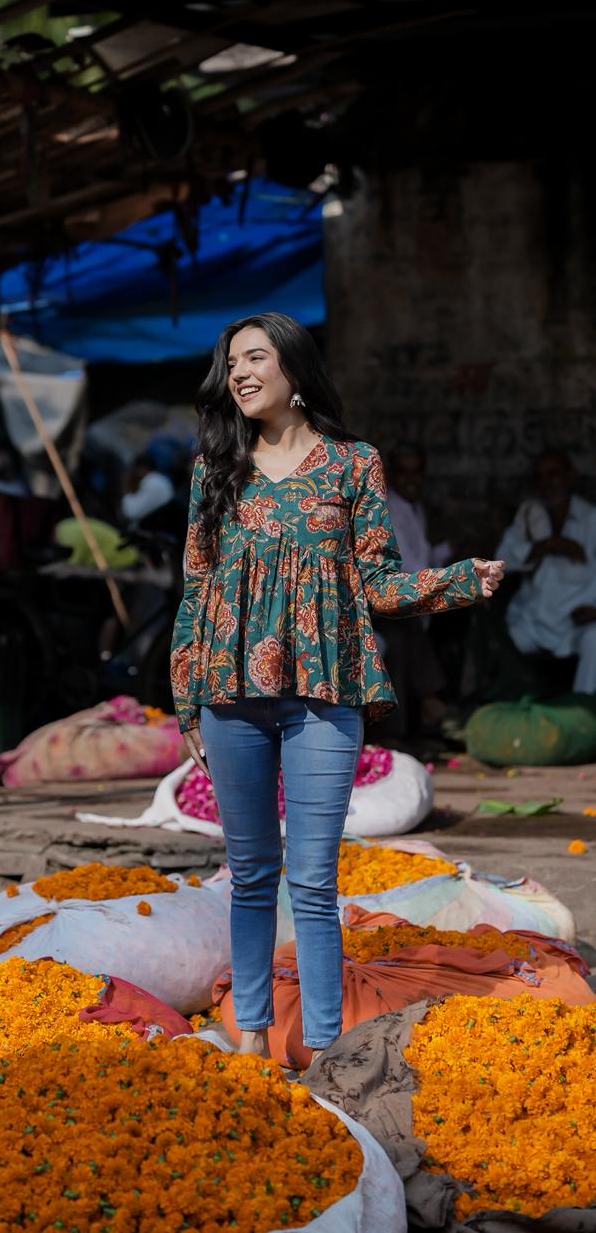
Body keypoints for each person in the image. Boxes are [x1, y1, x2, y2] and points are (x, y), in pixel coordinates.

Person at [170, 312, 504, 1062]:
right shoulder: (214, 468)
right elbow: (194, 587)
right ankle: (251, 1039)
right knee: (252, 874)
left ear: (294, 368)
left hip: (326, 691)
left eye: (255, 358)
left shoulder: (353, 465)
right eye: (231, 365)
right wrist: (186, 695)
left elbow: (377, 582)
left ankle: (325, 1053)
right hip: (229, 697)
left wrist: (457, 584)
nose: (240, 374)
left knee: (314, 880)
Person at [496, 450, 596, 693]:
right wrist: (545, 546)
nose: (547, 483)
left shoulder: (591, 519)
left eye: (554, 475)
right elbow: (499, 561)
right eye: (540, 477)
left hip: (575, 624)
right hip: (531, 621)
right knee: (496, 645)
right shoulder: (529, 517)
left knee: (594, 640)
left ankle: (583, 714)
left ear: (570, 477)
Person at [374, 445, 453, 737]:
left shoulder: (415, 508)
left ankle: (427, 709)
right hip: (381, 599)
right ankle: (428, 704)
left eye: (416, 472)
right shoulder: (389, 507)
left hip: (408, 598)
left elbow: (428, 559)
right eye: (404, 472)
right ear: (392, 475)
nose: (411, 479)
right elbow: (410, 567)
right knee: (401, 631)